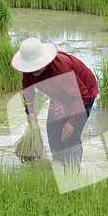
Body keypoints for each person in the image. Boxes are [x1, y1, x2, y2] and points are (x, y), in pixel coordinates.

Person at [11, 37, 98, 171]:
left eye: (36, 66)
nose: (33, 70)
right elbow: (27, 90)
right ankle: (58, 167)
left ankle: (72, 174)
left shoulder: (61, 69)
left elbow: (82, 95)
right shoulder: (29, 70)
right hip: (61, 95)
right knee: (53, 130)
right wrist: (30, 112)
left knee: (72, 137)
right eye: (30, 67)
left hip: (82, 95)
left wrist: (71, 123)